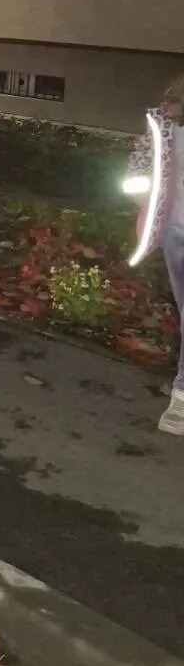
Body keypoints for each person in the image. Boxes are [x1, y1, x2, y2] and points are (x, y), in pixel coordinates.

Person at [125, 74, 184, 434]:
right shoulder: (163, 122)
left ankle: (181, 394)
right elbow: (136, 172)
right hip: (175, 234)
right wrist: (149, 207)